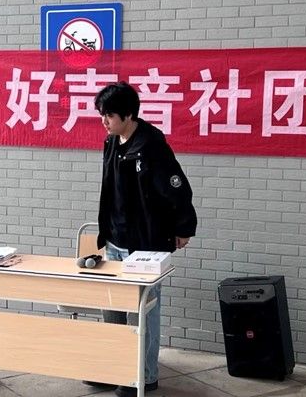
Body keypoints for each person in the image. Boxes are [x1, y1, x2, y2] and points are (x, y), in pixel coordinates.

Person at [91, 81, 197, 397]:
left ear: (128, 115)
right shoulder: (112, 142)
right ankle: (114, 368)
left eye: (109, 116)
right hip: (115, 238)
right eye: (101, 115)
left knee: (144, 311)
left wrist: (183, 228)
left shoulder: (152, 146)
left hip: (145, 243)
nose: (104, 121)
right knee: (112, 308)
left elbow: (178, 189)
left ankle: (144, 375)